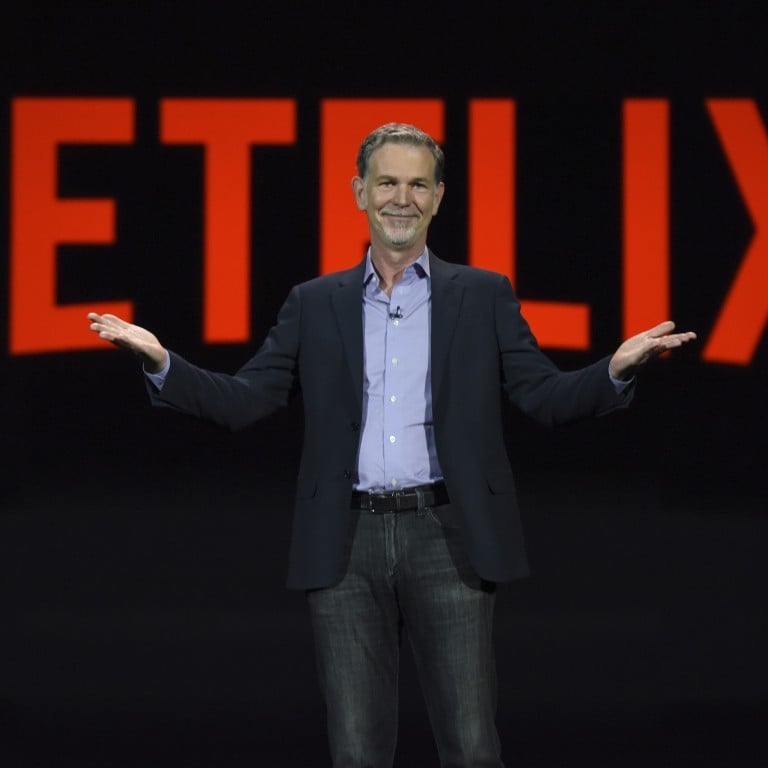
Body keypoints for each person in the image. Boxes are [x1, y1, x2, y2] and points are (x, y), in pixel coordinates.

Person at [88, 123, 696, 767]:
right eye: (386, 183)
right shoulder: (314, 303)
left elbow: (542, 396)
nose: (400, 198)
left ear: (438, 198)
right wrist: (162, 363)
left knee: (470, 747)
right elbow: (246, 400)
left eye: (416, 184)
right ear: (359, 192)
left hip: (450, 536)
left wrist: (615, 369)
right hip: (344, 543)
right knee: (356, 752)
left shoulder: (483, 294)